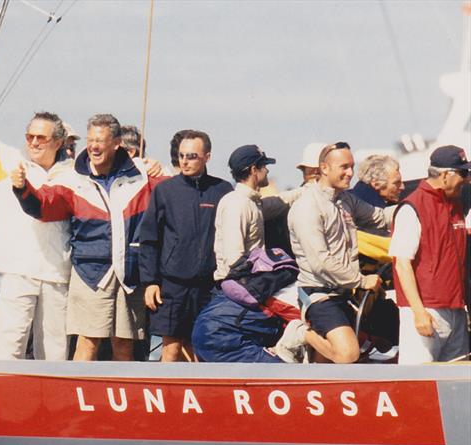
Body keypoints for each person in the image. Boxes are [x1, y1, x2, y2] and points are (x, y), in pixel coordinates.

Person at [12, 114, 166, 361]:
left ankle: (121, 395)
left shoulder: (141, 174)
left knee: (125, 345)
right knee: (87, 342)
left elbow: (173, 192)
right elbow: (44, 205)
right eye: (91, 139)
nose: (93, 146)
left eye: (100, 140)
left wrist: (161, 166)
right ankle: (74, 397)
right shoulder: (73, 177)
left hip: (130, 273)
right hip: (90, 272)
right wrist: (22, 189)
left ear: (116, 143)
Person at [0, 69, 74, 361]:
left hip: (57, 273)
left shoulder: (74, 174)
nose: (33, 142)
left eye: (41, 138)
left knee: (55, 354)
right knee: (11, 349)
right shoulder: (10, 161)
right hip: (18, 270)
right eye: (29, 136)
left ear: (58, 142)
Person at [285, 142, 393, 363]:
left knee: (327, 362)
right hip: (319, 294)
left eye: (352, 166)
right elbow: (320, 262)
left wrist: (415, 208)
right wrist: (361, 281)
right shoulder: (307, 207)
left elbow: (380, 217)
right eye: (344, 167)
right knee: (347, 354)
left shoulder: (345, 200)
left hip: (343, 293)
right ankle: (299, 333)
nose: (351, 173)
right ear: (324, 168)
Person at [139, 130, 232, 361]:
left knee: (203, 347)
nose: (184, 161)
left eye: (191, 156)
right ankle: (165, 394)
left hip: (209, 287)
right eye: (181, 155)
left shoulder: (222, 190)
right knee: (170, 348)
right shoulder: (165, 190)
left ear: (207, 157)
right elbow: (149, 239)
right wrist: (150, 282)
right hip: (173, 285)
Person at [390, 145, 470, 364]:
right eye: (463, 173)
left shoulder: (455, 203)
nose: (466, 179)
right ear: (445, 175)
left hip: (455, 308)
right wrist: (418, 312)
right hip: (426, 309)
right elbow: (402, 264)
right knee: (418, 381)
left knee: (457, 382)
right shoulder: (412, 208)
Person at [213, 144, 300, 282]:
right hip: (237, 286)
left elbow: (279, 201)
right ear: (254, 170)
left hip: (247, 282)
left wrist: (308, 189)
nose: (267, 170)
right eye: (264, 166)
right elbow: (234, 259)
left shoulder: (251, 201)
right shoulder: (237, 204)